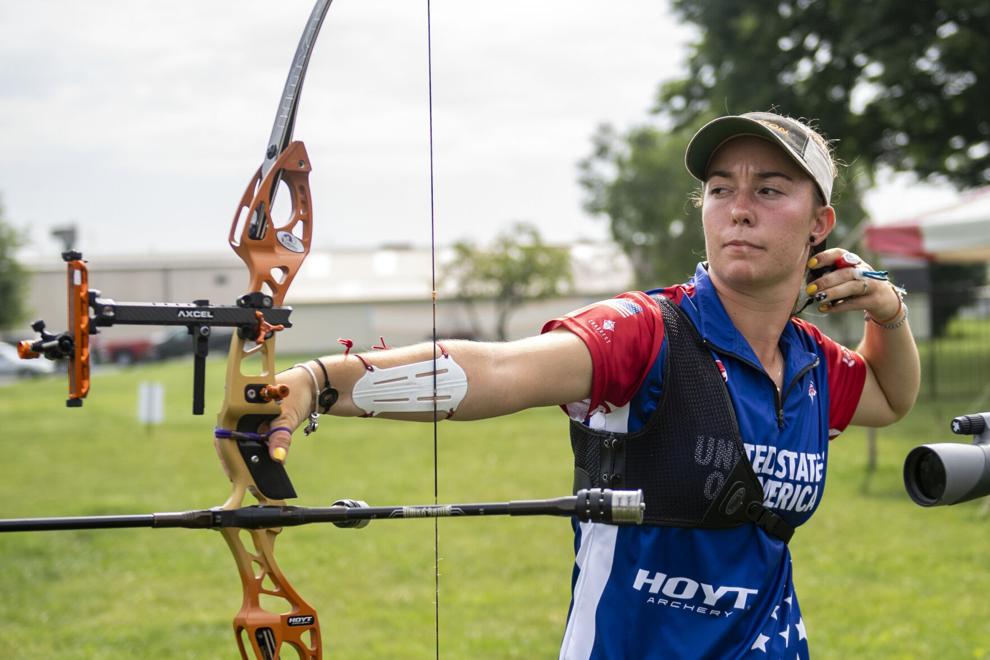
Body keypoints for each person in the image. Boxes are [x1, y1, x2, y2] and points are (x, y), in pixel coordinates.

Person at [266, 111, 920, 658]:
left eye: (770, 191)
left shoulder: (810, 362)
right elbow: (498, 368)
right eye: (722, 190)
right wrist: (321, 380)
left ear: (819, 224)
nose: (738, 210)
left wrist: (888, 311)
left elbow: (891, 398)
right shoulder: (646, 332)